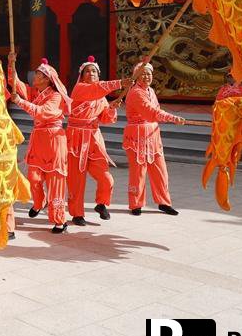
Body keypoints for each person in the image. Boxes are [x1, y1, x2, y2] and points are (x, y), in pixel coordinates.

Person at [9, 54, 71, 234]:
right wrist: (11, 64)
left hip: (54, 141)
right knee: (34, 178)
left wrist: (20, 102)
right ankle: (39, 202)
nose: (34, 77)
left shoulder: (56, 96)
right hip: (38, 140)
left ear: (47, 79)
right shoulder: (34, 93)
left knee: (55, 181)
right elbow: (16, 83)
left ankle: (60, 219)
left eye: (37, 74)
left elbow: (43, 113)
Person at [66, 56, 131, 225]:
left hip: (94, 139)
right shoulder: (79, 89)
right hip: (76, 137)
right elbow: (95, 90)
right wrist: (119, 83)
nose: (91, 73)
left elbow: (105, 119)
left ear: (98, 74)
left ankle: (101, 203)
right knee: (76, 179)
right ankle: (77, 213)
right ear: (81, 75)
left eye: (94, 71)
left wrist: (110, 108)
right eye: (87, 71)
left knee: (106, 177)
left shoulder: (100, 97)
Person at [124, 62, 185, 216]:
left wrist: (172, 117)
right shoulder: (135, 92)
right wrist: (171, 118)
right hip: (138, 133)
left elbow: (156, 109)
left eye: (149, 73)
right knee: (138, 171)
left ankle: (164, 202)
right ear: (136, 76)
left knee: (160, 170)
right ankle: (136, 204)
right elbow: (150, 111)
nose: (147, 76)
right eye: (143, 73)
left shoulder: (150, 90)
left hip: (153, 134)